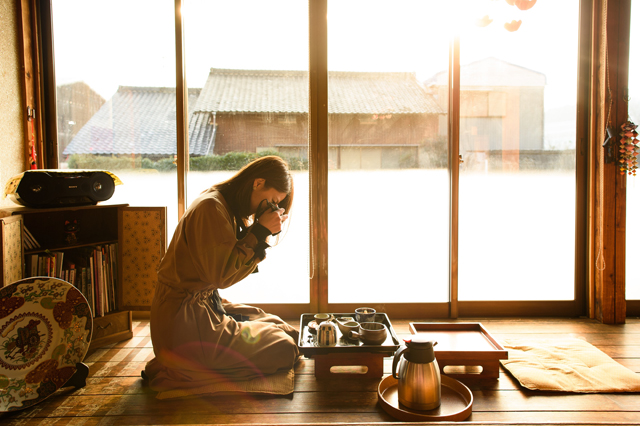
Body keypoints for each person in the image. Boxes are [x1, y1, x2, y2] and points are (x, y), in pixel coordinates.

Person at [143, 155, 300, 392]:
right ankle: (180, 365)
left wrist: (259, 231)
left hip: (202, 306)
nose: (272, 208)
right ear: (258, 183)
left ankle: (192, 359)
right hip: (184, 322)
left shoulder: (221, 203)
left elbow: (226, 265)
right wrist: (259, 231)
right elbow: (221, 276)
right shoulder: (211, 207)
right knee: (284, 348)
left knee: (285, 329)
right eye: (272, 201)